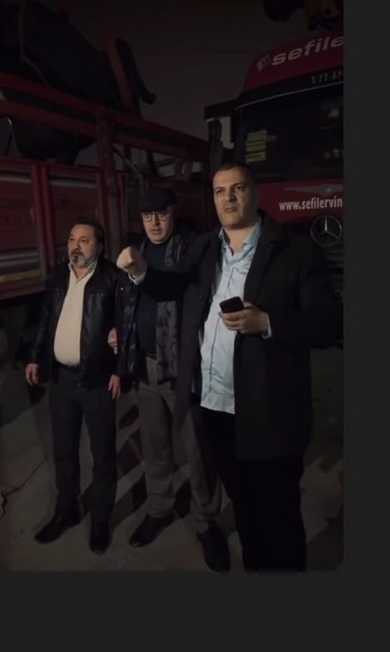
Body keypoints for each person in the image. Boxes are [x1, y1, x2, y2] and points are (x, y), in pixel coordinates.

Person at [116, 161, 343, 572]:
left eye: (237, 188)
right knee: (246, 512)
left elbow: (329, 323)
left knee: (279, 517)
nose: (229, 198)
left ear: (255, 193)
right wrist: (140, 271)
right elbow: (172, 286)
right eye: (220, 191)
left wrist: (269, 323)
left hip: (269, 412)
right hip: (217, 410)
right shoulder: (205, 248)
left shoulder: (295, 251)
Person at [108, 187, 229, 572]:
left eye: (161, 214)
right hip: (143, 365)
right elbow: (128, 300)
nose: (155, 223)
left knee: (198, 448)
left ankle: (206, 522)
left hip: (184, 367)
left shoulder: (193, 247)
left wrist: (141, 271)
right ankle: (159, 508)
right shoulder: (137, 248)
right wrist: (120, 329)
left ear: (173, 212)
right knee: (155, 445)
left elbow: (173, 285)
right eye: (147, 216)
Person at [25, 216, 132, 554]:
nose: (76, 245)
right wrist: (35, 357)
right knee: (64, 451)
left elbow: (126, 326)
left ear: (99, 246)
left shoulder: (114, 279)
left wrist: (120, 369)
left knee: (103, 455)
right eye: (72, 239)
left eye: (84, 240)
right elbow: (45, 321)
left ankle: (100, 520)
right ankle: (66, 510)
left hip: (98, 382)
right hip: (61, 381)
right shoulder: (58, 277)